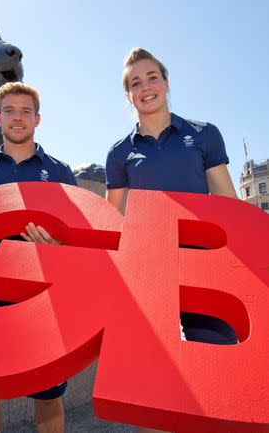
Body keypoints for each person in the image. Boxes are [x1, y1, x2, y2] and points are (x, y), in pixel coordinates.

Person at [105, 48, 238, 433]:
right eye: (135, 82)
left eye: (152, 77)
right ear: (127, 95)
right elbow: (114, 219)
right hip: (151, 273)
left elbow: (227, 203)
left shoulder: (204, 134)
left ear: (165, 82)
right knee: (156, 381)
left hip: (205, 268)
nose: (145, 87)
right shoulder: (119, 153)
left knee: (217, 363)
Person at [0, 81, 76, 433]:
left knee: (48, 396)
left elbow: (76, 238)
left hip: (41, 299)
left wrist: (59, 244)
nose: (17, 118)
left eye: (25, 111)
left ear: (37, 119)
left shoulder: (60, 172)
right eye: (9, 111)